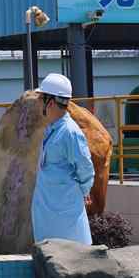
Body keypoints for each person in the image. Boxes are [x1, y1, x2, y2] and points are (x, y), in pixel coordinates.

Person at [31, 73, 95, 245]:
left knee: (71, 252)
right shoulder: (50, 128)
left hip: (65, 210)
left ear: (51, 103)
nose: (38, 102)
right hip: (48, 208)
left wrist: (84, 191)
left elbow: (85, 168)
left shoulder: (69, 132)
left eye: (41, 98)